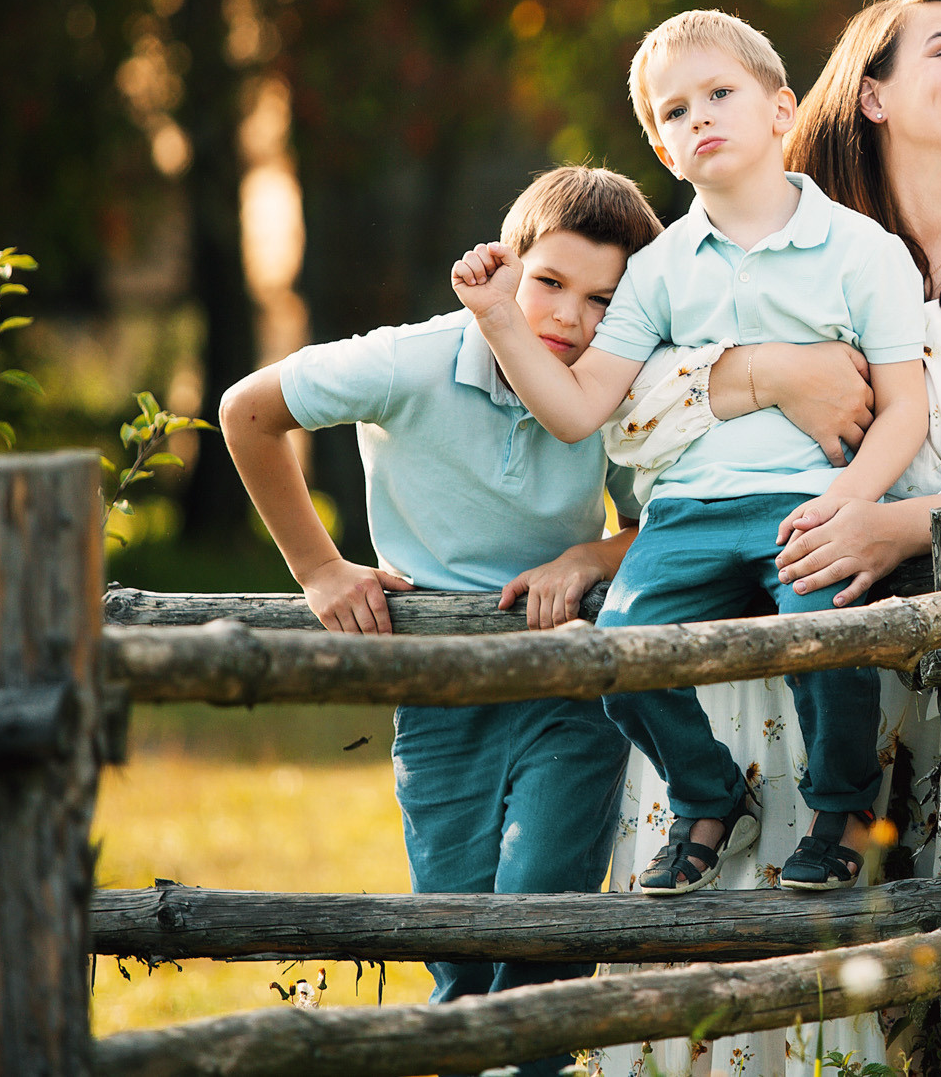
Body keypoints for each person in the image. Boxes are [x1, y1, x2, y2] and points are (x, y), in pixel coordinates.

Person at [593, 0, 941, 1077]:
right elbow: (624, 417)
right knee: (753, 1001)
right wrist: (761, 371)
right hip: (767, 671)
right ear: (869, 94)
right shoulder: (777, 230)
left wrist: (903, 523)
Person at [450, 8, 931, 896]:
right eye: (674, 112)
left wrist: (855, 500)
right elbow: (578, 406)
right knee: (621, 652)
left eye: (719, 93)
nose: (699, 115)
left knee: (826, 631)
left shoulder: (862, 250)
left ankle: (839, 810)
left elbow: (906, 406)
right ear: (664, 152)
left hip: (810, 497)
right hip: (684, 516)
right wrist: (499, 319)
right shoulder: (660, 269)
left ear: (783, 110)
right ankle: (708, 795)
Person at [216, 165, 674, 1069]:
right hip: (437, 688)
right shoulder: (414, 359)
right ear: (505, 270)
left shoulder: (621, 384)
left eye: (602, 300)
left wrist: (590, 555)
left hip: (565, 677)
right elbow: (247, 411)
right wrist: (318, 566)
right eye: (549, 284)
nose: (571, 320)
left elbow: (679, 515)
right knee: (457, 941)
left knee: (543, 927)